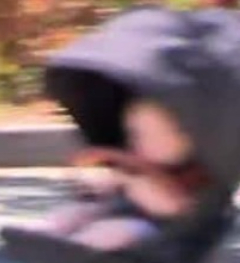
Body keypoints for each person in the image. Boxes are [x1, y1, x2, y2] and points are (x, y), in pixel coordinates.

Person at [16, 98, 211, 251]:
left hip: (161, 230)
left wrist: (135, 182)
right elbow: (113, 184)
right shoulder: (137, 162)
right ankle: (47, 232)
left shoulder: (192, 172)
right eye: (135, 135)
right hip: (119, 212)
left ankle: (80, 247)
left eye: (151, 136)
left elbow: (173, 207)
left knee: (118, 229)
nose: (139, 143)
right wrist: (103, 183)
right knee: (79, 211)